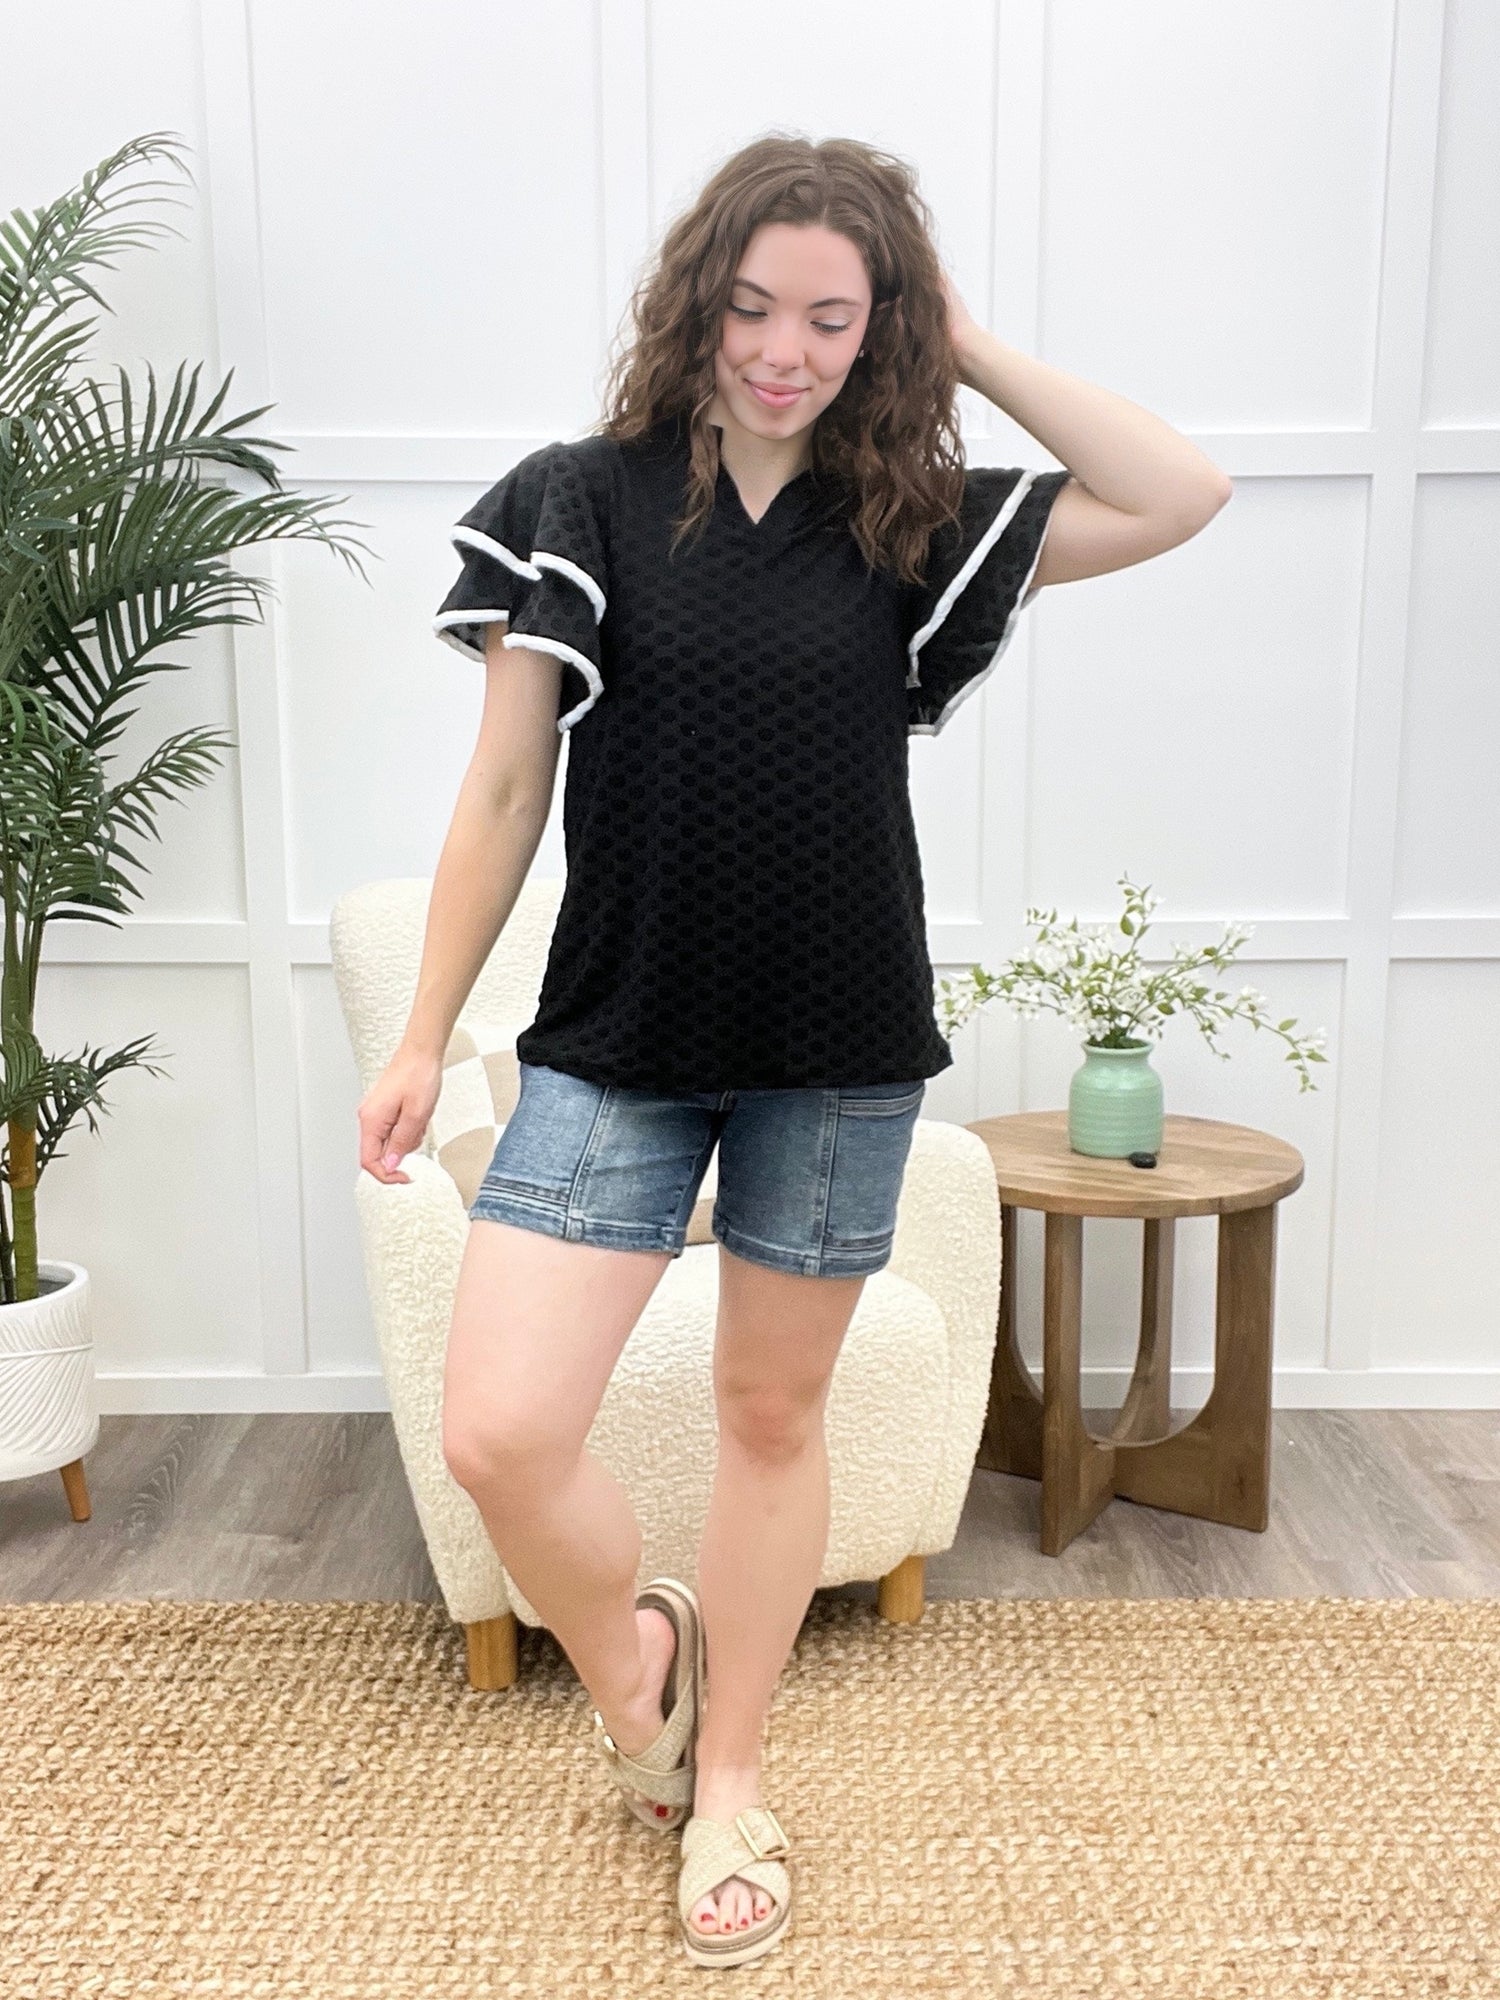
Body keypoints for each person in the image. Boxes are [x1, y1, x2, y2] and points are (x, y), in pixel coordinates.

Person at [358, 134, 1230, 1969]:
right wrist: (424, 1034)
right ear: (699, 302)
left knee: (772, 1418)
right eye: (754, 307)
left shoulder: (910, 516)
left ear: (879, 327)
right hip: (615, 1040)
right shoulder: (580, 500)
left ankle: (730, 1783)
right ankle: (644, 1677)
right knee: (500, 1429)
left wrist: (965, 341)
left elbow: (1182, 492)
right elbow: (505, 788)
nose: (783, 350)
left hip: (836, 1051)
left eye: (833, 318)